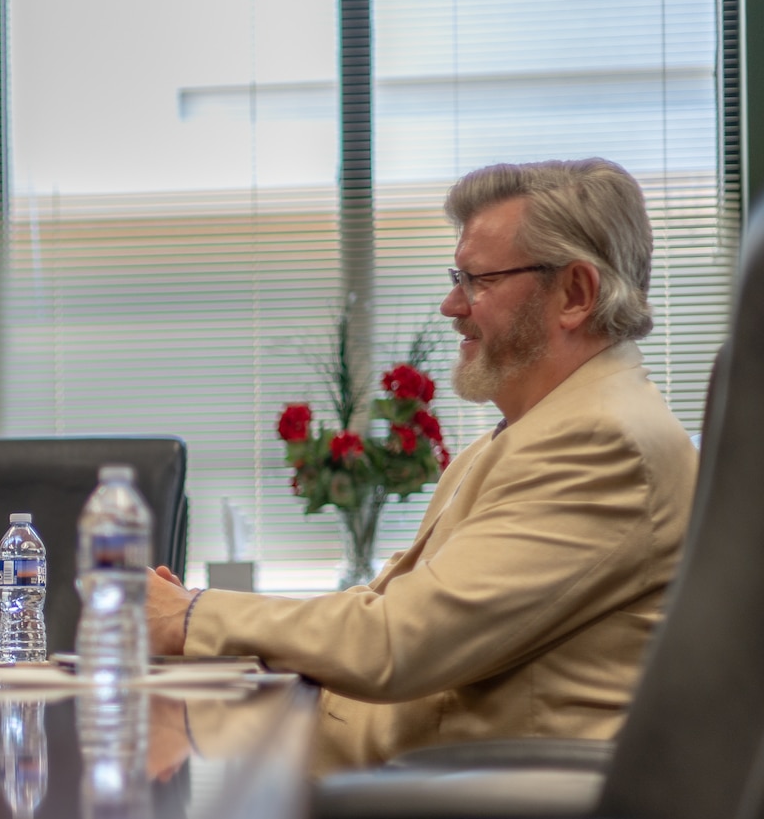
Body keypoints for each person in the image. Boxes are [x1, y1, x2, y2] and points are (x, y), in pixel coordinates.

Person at [148, 158, 698, 774]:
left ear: (574, 293)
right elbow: (389, 607)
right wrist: (200, 622)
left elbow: (397, 641)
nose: (450, 305)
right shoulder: (535, 430)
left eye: (477, 280)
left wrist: (192, 617)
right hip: (420, 793)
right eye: (454, 277)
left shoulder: (601, 442)